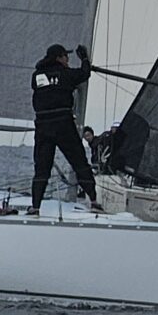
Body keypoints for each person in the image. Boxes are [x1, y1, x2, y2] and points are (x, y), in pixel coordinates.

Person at [30, 43, 100, 215]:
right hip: (63, 123)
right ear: (59, 58)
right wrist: (84, 58)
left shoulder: (36, 76)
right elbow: (84, 73)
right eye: (66, 56)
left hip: (43, 125)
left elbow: (46, 86)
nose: (68, 59)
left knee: (41, 168)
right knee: (79, 162)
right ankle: (93, 200)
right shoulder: (66, 74)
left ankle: (35, 206)